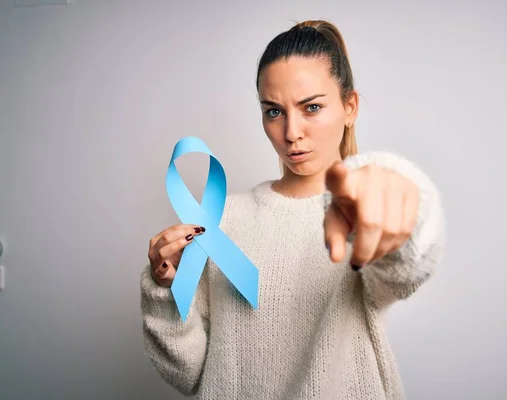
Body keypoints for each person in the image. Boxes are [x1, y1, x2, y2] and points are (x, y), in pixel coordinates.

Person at [140, 19, 446, 400]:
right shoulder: (219, 223)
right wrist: (165, 290)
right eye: (273, 112)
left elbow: (407, 267)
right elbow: (188, 374)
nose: (291, 133)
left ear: (349, 107)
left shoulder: (360, 211)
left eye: (312, 107)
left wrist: (407, 203)